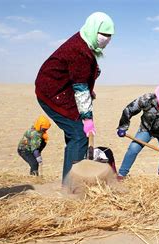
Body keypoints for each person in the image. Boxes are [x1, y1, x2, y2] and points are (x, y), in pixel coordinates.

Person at [34, 12, 115, 185]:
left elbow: (81, 79)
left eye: (110, 36)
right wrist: (87, 118)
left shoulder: (86, 44)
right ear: (94, 31)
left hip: (64, 89)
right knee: (78, 134)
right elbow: (80, 87)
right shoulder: (79, 50)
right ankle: (71, 185)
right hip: (52, 92)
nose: (107, 39)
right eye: (104, 35)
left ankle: (69, 180)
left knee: (75, 136)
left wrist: (86, 91)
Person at [116, 84, 159, 177]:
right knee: (133, 149)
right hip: (146, 129)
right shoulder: (147, 99)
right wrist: (123, 127)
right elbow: (128, 110)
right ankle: (121, 174)